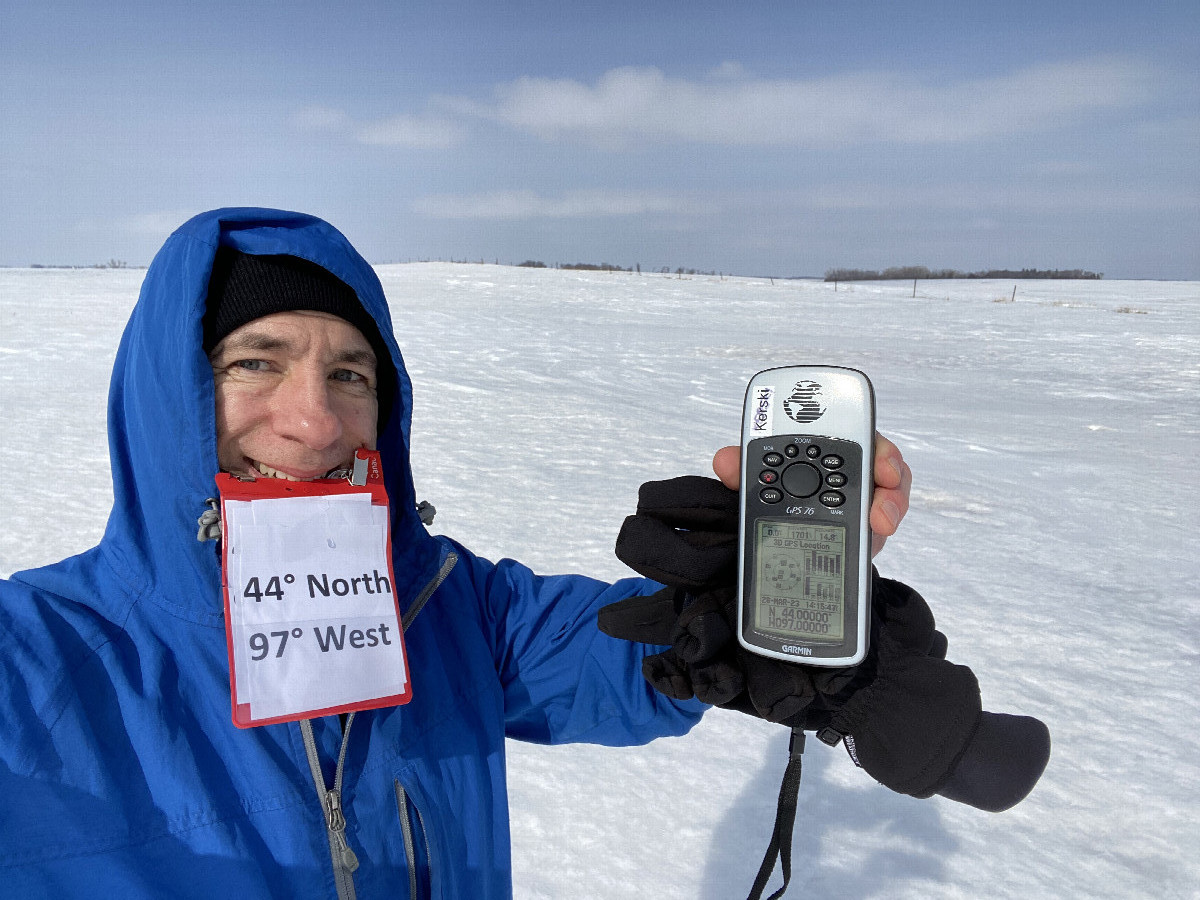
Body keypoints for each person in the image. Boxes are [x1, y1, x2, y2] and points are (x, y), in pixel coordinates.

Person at [0, 208, 1040, 899]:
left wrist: (736, 612)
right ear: (166, 400)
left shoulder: (449, 606)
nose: (313, 420)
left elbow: (615, 660)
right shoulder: (41, 657)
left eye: (352, 374)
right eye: (254, 363)